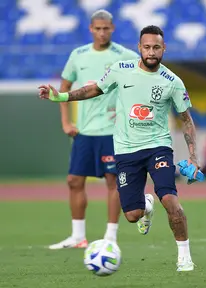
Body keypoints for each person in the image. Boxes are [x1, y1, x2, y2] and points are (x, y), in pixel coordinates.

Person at [39, 25, 198, 272]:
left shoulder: (172, 82)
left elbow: (186, 119)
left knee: (169, 198)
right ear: (139, 48)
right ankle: (146, 205)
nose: (152, 52)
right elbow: (93, 89)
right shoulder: (121, 70)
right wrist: (61, 97)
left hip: (158, 147)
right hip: (126, 150)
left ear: (164, 48)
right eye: (147, 47)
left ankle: (184, 257)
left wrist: (193, 156)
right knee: (132, 215)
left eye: (157, 47)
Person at [48, 10, 139, 250]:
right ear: (90, 29)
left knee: (113, 182)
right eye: (97, 28)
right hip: (85, 132)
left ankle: (111, 236)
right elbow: (64, 88)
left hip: (112, 132)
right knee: (74, 180)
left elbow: (139, 85)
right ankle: (78, 236)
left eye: (106, 28)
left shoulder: (126, 56)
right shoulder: (78, 55)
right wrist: (66, 123)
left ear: (113, 28)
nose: (102, 32)